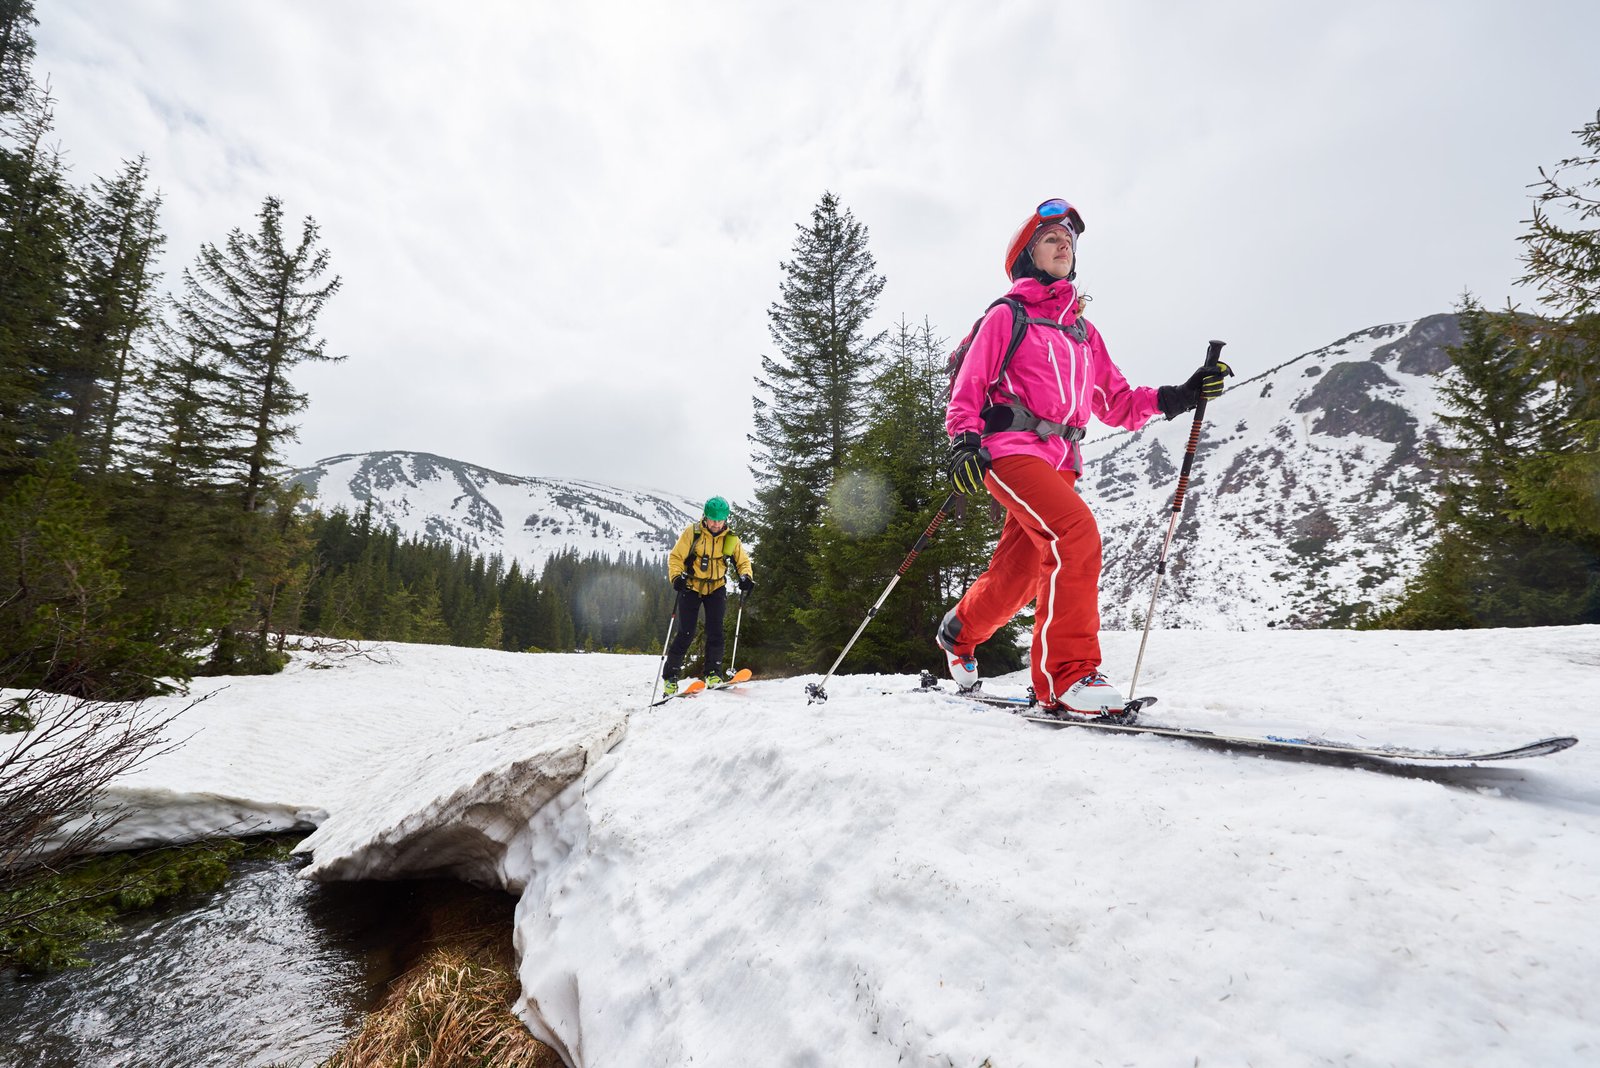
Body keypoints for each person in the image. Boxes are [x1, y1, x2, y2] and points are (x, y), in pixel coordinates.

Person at [937, 197, 1232, 719]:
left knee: (1021, 574)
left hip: (1061, 463)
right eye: (1051, 237)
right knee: (1075, 535)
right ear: (1027, 255)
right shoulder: (1009, 315)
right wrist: (963, 440)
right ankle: (1066, 677)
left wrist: (1179, 395)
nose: (1064, 244)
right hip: (1009, 453)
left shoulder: (1082, 334)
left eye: (1069, 239)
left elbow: (1117, 402)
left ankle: (959, 633)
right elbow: (970, 384)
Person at [662, 496, 754, 695]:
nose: (716, 524)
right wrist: (676, 577)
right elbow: (676, 557)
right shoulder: (693, 533)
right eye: (713, 519)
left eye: (720, 520)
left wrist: (746, 576)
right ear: (705, 516)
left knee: (716, 632)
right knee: (686, 633)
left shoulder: (730, 538)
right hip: (691, 587)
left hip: (716, 588)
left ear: (725, 519)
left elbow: (743, 561)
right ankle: (670, 679)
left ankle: (713, 674)